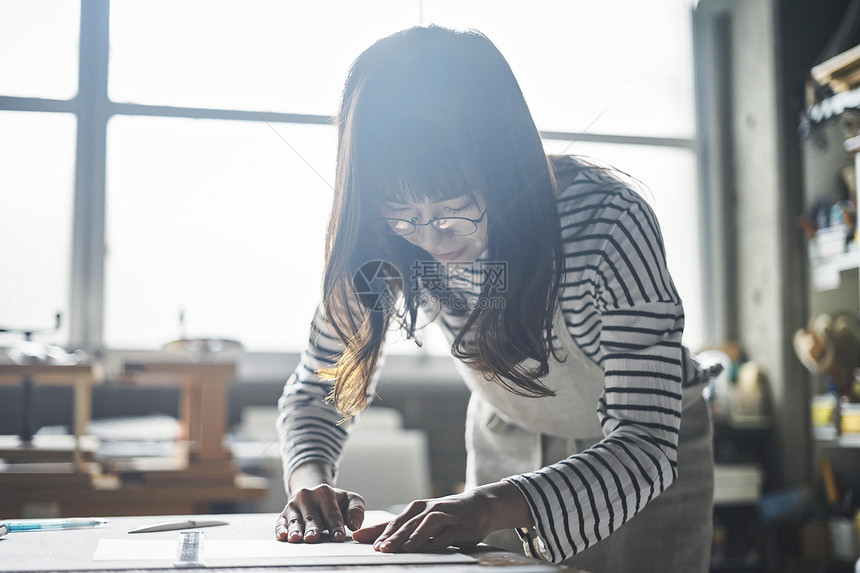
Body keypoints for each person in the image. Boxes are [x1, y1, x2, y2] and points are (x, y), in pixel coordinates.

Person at [275, 25, 718, 573]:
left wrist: (488, 506)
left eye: (451, 212)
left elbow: (647, 438)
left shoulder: (609, 223)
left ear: (505, 165)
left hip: (637, 460)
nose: (431, 241)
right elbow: (318, 388)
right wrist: (310, 482)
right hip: (506, 437)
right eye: (404, 216)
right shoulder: (388, 237)